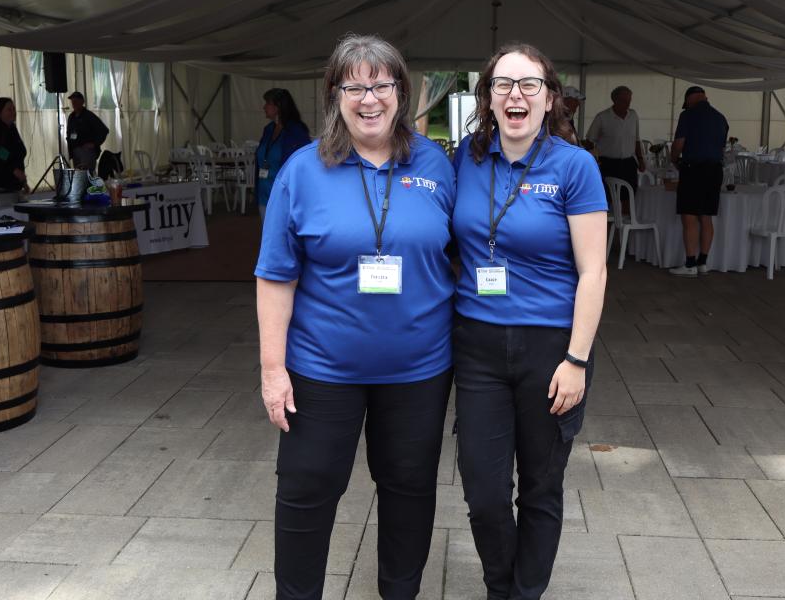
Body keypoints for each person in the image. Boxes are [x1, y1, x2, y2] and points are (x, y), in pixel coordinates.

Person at [255, 34, 456, 600]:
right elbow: (275, 276)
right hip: (322, 371)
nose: (369, 98)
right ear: (334, 95)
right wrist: (274, 371)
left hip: (419, 370)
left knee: (410, 490)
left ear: (401, 91)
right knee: (305, 489)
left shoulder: (437, 165)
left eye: (381, 84)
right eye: (355, 86)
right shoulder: (303, 170)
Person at [451, 44, 608, 600]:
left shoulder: (574, 165)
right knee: (485, 490)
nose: (515, 94)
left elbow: (594, 272)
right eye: (502, 84)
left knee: (540, 487)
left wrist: (577, 359)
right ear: (487, 98)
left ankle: (521, 594)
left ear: (549, 98)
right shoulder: (463, 162)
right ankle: (501, 585)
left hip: (550, 350)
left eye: (529, 84)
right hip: (477, 348)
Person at [668, 85, 729, 277]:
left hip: (693, 170)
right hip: (714, 170)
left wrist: (674, 158)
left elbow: (679, 144)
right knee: (706, 216)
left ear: (689, 100)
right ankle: (703, 262)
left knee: (689, 216)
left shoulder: (688, 115)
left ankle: (690, 264)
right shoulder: (720, 118)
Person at [255, 88, 310, 220]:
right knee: (268, 236)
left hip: (285, 196)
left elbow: (304, 164)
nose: (264, 107)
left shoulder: (296, 131)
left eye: (267, 103)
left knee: (286, 238)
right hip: (264, 193)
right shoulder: (268, 130)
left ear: (278, 106)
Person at [585, 85, 646, 194]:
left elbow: (637, 140)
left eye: (629, 100)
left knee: (629, 196)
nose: (627, 103)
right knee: (607, 197)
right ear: (614, 100)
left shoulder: (633, 116)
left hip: (629, 163)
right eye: (623, 100)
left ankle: (627, 212)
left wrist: (641, 160)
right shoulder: (602, 117)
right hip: (608, 164)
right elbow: (590, 141)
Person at [66, 91, 109, 171]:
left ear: (82, 102)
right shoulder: (71, 117)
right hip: (75, 151)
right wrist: (71, 150)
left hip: (87, 152)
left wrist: (94, 144)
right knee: (79, 177)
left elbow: (104, 130)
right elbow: (69, 133)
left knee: (86, 177)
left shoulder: (89, 116)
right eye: (72, 101)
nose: (73, 103)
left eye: (76, 101)